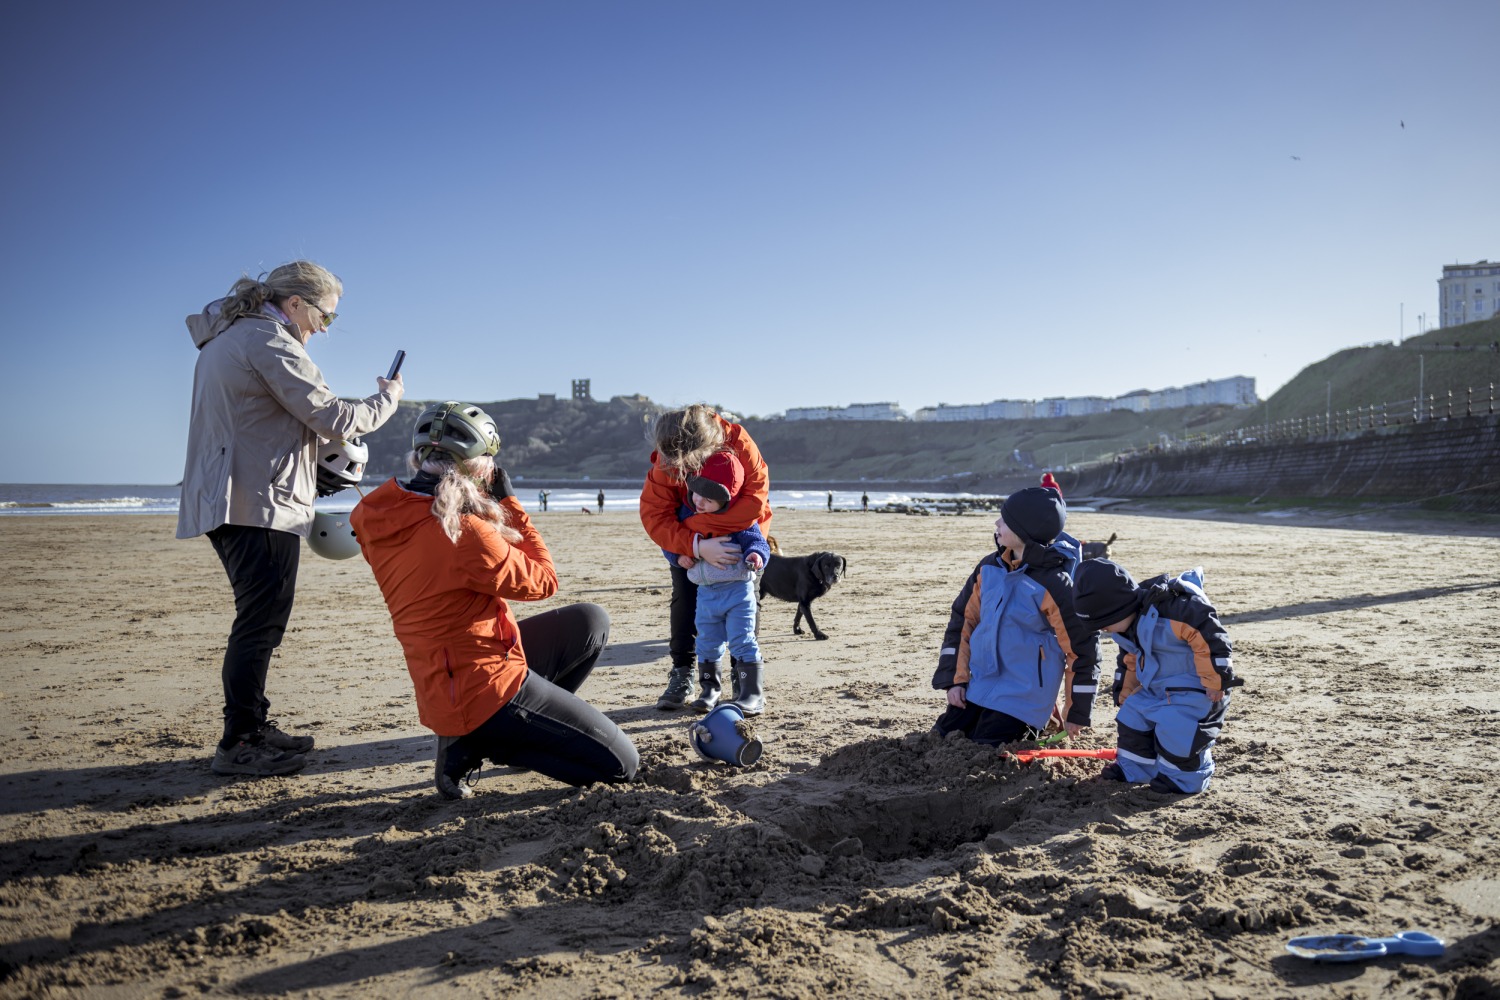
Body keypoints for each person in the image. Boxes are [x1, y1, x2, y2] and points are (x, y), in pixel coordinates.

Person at [178, 261, 403, 778]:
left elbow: (261, 424)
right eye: (326, 316)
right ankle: (240, 741)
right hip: (255, 502)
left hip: (234, 495)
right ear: (296, 304)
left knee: (258, 620)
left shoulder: (231, 338)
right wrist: (387, 399)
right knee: (260, 624)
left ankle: (252, 727)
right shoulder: (268, 341)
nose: (324, 328)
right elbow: (336, 417)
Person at [351, 401, 639, 797]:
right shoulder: (463, 531)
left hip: (446, 677)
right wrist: (509, 505)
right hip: (483, 689)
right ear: (476, 468)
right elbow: (544, 580)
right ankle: (488, 742)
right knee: (623, 766)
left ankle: (484, 735)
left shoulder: (372, 515)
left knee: (589, 622)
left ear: (419, 459)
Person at [930, 486, 1101, 745]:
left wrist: (1076, 710)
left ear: (1025, 532)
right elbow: (962, 622)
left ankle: (1041, 723)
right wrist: (956, 681)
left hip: (1024, 694)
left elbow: (1083, 649)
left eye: (1005, 520)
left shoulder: (1055, 584)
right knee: (943, 736)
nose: (997, 523)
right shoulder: (989, 567)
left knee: (987, 746)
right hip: (980, 684)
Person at [639, 404, 771, 711]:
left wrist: (712, 540)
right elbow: (655, 514)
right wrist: (696, 547)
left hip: (743, 533)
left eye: (685, 464)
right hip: (686, 542)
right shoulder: (668, 455)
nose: (676, 467)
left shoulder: (741, 448)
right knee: (685, 597)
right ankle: (682, 674)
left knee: (747, 600)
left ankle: (745, 679)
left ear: (705, 448)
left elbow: (752, 505)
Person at [1072, 560, 1238, 794]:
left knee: (1178, 731)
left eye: (1105, 624)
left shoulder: (1177, 610)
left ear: (1120, 608)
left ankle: (1183, 780)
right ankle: (1136, 769)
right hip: (1155, 689)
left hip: (1196, 690)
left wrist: (1215, 680)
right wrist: (1126, 691)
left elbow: (1211, 640)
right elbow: (1130, 661)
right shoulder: (1126, 628)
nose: (1104, 630)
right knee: (1131, 719)